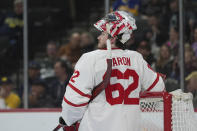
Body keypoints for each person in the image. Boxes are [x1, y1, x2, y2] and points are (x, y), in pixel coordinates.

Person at [60, 11, 165, 131]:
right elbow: (159, 87)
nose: (99, 37)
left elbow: (74, 101)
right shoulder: (136, 58)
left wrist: (67, 120)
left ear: (113, 37)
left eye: (103, 33)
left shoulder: (90, 59)